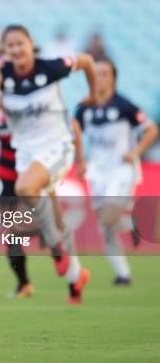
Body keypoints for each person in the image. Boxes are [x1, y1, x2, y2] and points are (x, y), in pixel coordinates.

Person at [0, 24, 96, 303]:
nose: (16, 50)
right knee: (51, 220)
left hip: (56, 147)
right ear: (5, 50)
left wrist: (93, 97)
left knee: (25, 187)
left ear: (31, 43)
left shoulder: (52, 67)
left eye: (20, 44)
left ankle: (58, 249)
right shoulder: (1, 75)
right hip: (27, 155)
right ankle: (75, 279)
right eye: (11, 46)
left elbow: (88, 61)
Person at [73, 58, 158, 286]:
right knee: (105, 227)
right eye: (96, 73)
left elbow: (151, 129)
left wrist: (136, 152)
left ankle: (139, 223)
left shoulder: (124, 106)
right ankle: (123, 274)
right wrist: (80, 161)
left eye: (104, 74)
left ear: (112, 78)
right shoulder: (84, 108)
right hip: (97, 172)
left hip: (120, 170)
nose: (100, 78)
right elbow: (75, 135)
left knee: (109, 218)